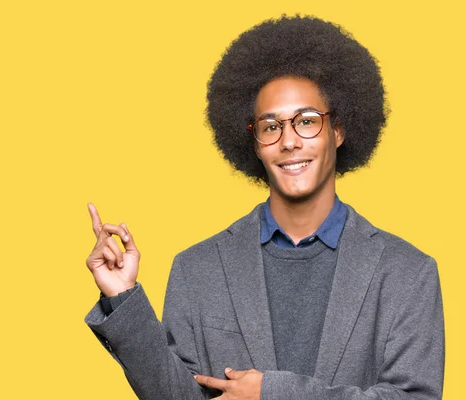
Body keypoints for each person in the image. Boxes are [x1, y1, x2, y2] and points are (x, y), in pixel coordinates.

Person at [84, 15, 444, 399]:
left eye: (307, 121)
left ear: (338, 131)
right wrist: (123, 297)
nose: (288, 141)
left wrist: (275, 392)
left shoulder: (407, 273)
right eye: (271, 126)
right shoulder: (198, 269)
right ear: (255, 143)